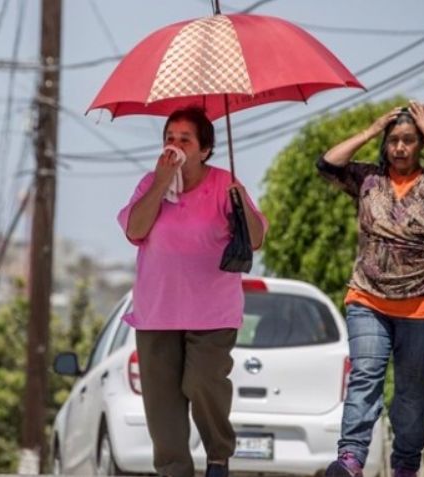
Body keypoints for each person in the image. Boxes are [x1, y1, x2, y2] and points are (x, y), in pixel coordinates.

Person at [117, 106, 268, 477]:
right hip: (157, 313)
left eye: (185, 139)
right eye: (169, 138)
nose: (175, 145)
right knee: (163, 407)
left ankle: (218, 454)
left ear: (204, 149)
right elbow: (135, 230)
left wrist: (239, 198)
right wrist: (159, 183)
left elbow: (257, 238)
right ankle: (174, 471)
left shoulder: (223, 183)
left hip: (212, 314)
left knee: (202, 381)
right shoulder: (149, 184)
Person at [317, 101, 424, 477]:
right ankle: (350, 460)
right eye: (393, 140)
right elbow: (328, 164)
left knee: (411, 398)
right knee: (365, 376)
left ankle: (405, 466)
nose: (400, 147)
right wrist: (371, 128)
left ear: (418, 145)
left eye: (408, 140)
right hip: (368, 299)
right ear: (384, 145)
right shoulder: (368, 180)